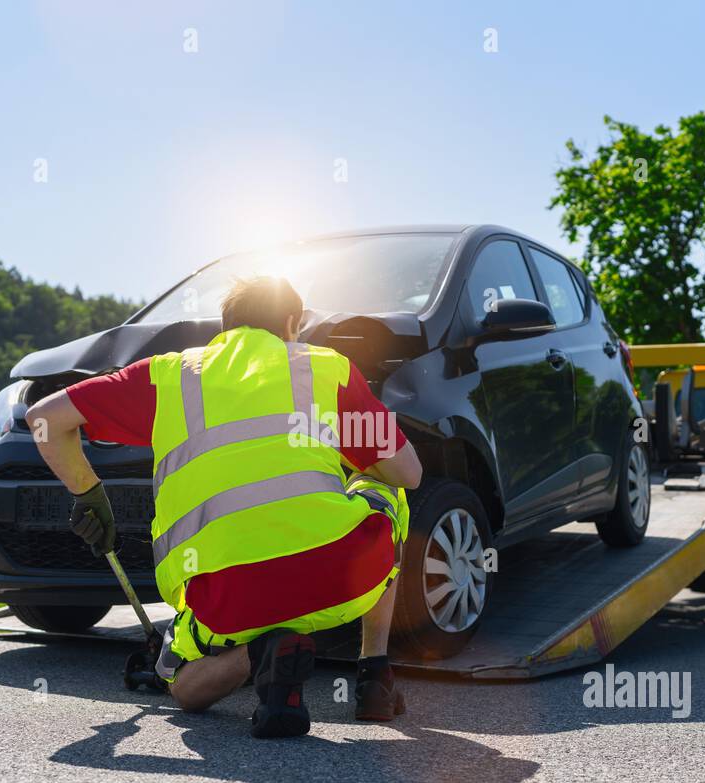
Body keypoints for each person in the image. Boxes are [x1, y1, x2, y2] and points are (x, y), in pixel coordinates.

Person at [26, 276, 422, 738]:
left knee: (184, 689)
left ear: (225, 324)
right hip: (333, 576)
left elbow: (45, 419)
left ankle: (263, 654)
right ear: (292, 323)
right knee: (385, 491)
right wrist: (346, 457)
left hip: (222, 599)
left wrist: (89, 495)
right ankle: (374, 676)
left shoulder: (167, 375)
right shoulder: (325, 368)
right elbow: (408, 473)